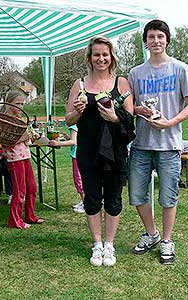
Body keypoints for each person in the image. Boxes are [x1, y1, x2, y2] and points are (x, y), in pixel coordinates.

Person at [128, 20, 188, 265]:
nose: (156, 41)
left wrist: (170, 122)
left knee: (168, 197)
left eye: (160, 36)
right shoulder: (136, 73)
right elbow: (130, 107)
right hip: (141, 145)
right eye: (151, 37)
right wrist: (140, 110)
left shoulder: (181, 69)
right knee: (137, 195)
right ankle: (152, 234)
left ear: (167, 39)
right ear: (145, 41)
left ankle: (167, 240)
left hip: (169, 144)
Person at [65, 35, 134, 267]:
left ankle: (110, 245)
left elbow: (130, 119)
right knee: (92, 198)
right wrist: (78, 111)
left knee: (114, 198)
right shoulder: (80, 85)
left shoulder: (121, 83)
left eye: (105, 54)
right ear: (90, 57)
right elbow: (68, 119)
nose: (101, 58)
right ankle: (97, 244)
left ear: (111, 57)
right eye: (97, 54)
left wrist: (115, 118)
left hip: (114, 152)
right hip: (88, 150)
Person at [1, 90, 45, 229]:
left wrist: (31, 136)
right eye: (17, 103)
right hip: (15, 158)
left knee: (31, 188)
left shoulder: (19, 117)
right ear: (8, 103)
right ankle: (15, 220)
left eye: (22, 104)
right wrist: (27, 136)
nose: (21, 106)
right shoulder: (4, 119)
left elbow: (24, 138)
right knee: (20, 190)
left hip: (24, 155)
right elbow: (8, 141)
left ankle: (30, 216)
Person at [48, 125, 85, 213]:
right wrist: (68, 138)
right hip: (83, 154)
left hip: (77, 156)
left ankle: (86, 204)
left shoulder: (74, 126)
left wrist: (58, 143)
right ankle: (85, 201)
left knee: (79, 179)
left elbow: (74, 142)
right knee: (82, 179)